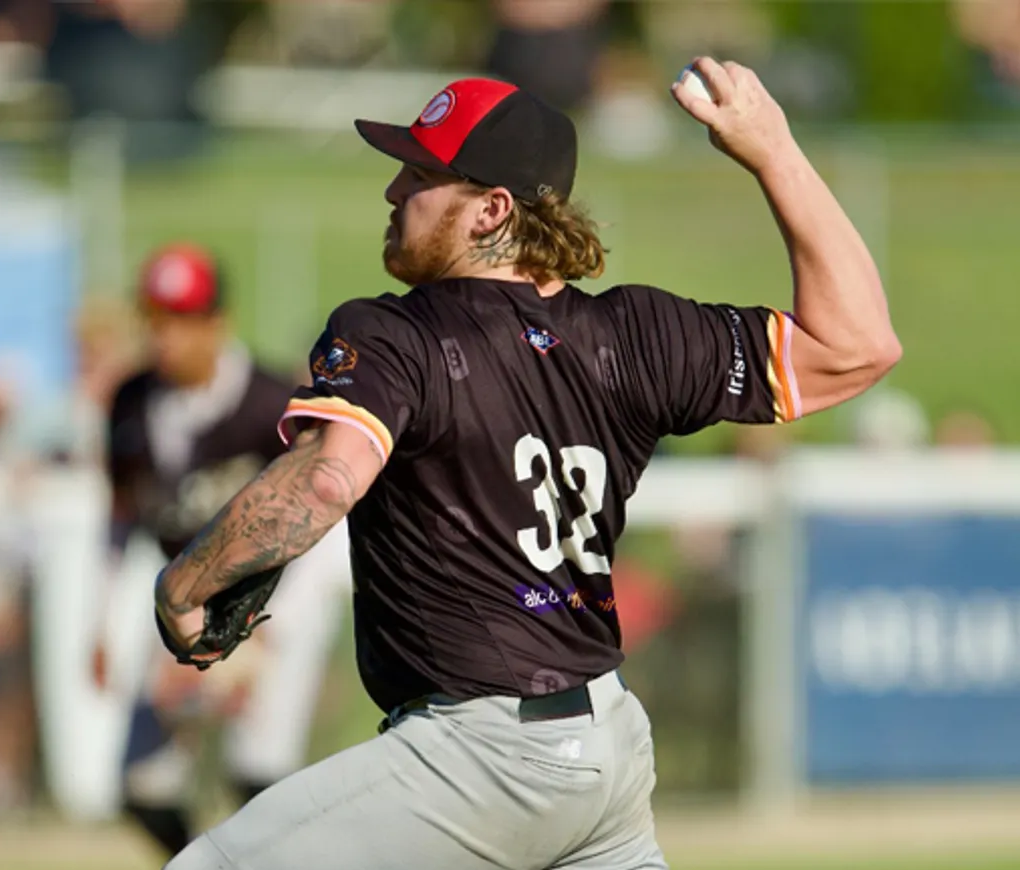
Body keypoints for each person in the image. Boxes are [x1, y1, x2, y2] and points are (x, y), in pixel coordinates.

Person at [153, 58, 902, 870]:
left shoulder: (396, 334)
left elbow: (329, 478)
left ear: (492, 209)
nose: (394, 192)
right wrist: (774, 151)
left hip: (481, 756)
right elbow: (857, 345)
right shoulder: (636, 335)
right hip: (607, 750)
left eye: (420, 175)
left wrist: (186, 584)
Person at [92, 244, 352, 858]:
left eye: (181, 320)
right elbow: (121, 517)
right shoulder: (132, 401)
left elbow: (324, 526)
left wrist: (266, 637)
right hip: (188, 599)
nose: (165, 337)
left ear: (217, 322)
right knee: (142, 788)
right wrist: (100, 622)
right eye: (155, 319)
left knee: (257, 776)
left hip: (278, 596)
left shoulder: (269, 401)